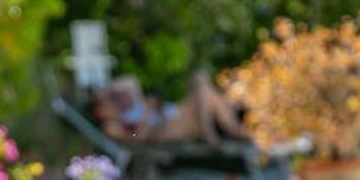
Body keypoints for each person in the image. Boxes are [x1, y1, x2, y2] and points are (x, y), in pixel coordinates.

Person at [90, 71, 247, 144]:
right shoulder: (111, 126)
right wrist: (147, 111)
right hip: (160, 132)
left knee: (204, 89)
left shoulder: (127, 108)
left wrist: (104, 91)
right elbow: (138, 138)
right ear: (98, 113)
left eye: (107, 103)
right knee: (202, 89)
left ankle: (211, 131)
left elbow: (130, 80)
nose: (109, 106)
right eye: (104, 106)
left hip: (171, 117)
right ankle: (237, 133)